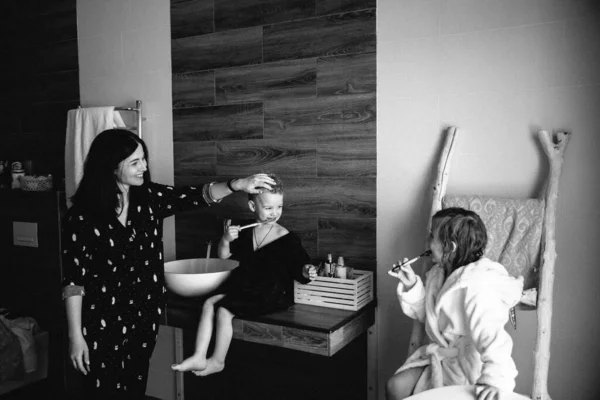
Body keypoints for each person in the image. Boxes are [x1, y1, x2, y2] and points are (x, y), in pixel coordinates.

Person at [61, 128, 276, 400]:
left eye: (144, 159)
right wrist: (75, 336)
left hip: (144, 314)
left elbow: (194, 196)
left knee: (135, 386)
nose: (144, 167)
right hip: (101, 321)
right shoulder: (81, 217)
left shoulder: (147, 197)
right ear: (111, 166)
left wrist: (237, 185)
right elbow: (72, 282)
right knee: (103, 390)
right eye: (135, 162)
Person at [171, 173, 318, 376]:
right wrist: (225, 239)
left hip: (272, 294)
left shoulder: (287, 238)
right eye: (268, 208)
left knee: (223, 310)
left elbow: (299, 266)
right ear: (252, 207)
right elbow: (224, 257)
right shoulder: (244, 229)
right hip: (246, 288)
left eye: (279, 207)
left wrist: (306, 270)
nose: (274, 213)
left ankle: (217, 360)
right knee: (208, 303)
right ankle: (198, 356)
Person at [386, 207, 524, 400]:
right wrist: (412, 286)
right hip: (443, 360)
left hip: (468, 369)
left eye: (431, 236)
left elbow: (492, 336)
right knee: (395, 386)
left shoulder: (476, 285)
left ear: (449, 247)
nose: (427, 242)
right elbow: (431, 317)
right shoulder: (438, 274)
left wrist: (495, 380)